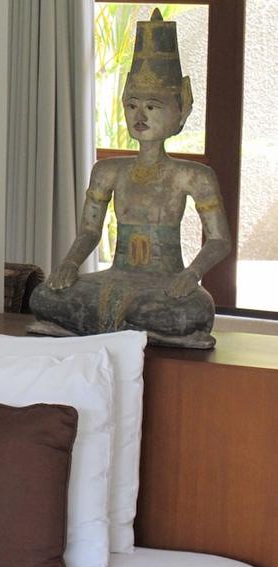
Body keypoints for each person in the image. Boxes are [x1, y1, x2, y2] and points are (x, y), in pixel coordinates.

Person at [29, 9, 230, 348]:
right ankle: (143, 334)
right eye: (132, 105)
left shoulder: (193, 176)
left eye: (152, 107)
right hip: (114, 278)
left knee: (193, 309)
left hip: (165, 283)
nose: (140, 115)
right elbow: (90, 231)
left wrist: (191, 274)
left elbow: (219, 240)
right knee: (44, 296)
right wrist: (69, 265)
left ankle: (101, 331)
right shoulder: (108, 171)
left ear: (181, 110)